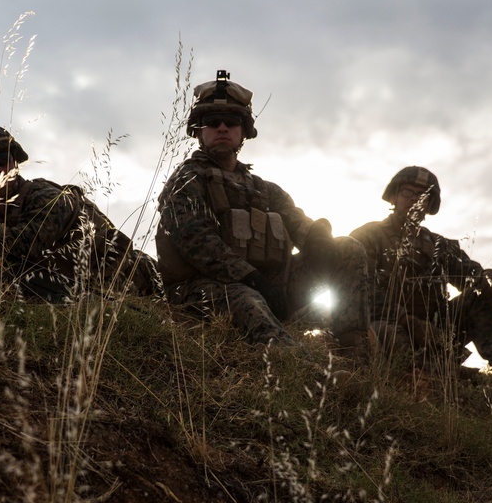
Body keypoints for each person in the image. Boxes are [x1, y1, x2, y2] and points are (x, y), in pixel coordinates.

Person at [155, 70, 371, 350]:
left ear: (244, 130)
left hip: (268, 287)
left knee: (348, 249)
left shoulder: (264, 189)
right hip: (199, 291)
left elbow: (298, 223)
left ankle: (353, 358)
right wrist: (252, 278)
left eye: (231, 122)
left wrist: (318, 238)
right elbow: (198, 244)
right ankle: (303, 369)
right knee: (247, 298)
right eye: (212, 122)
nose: (222, 128)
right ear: (198, 130)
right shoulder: (185, 182)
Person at [0, 124, 159, 302]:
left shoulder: (45, 195)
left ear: (15, 163)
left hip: (147, 283)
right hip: (96, 290)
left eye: (2, 159)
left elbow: (26, 242)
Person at [350, 166, 492, 369]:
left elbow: (474, 275)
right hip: (390, 324)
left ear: (429, 205)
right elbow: (360, 291)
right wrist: (406, 320)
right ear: (394, 197)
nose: (415, 200)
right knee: (383, 334)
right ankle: (436, 369)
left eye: (423, 196)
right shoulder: (368, 236)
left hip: (436, 329)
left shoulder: (438, 245)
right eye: (408, 192)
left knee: (481, 296)